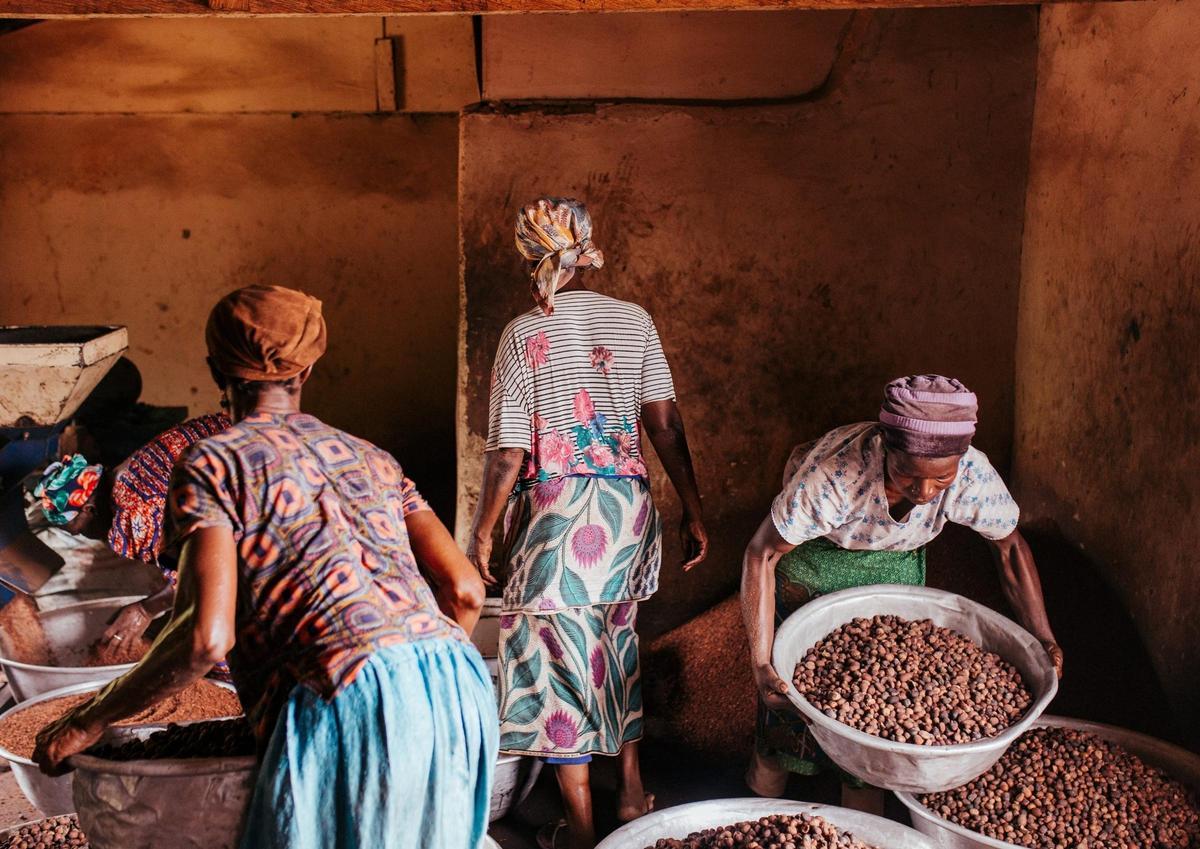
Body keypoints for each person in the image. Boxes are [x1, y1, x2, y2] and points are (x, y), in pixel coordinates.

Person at [34, 284, 497, 849]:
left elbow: (205, 638)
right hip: (457, 681)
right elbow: (465, 590)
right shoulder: (372, 457)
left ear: (214, 368)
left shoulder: (213, 462)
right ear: (308, 369)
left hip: (341, 688)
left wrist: (87, 722)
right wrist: (411, 674)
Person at [468, 198, 708, 849]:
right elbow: (664, 422)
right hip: (629, 511)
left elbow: (511, 451)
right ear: (585, 247)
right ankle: (630, 791)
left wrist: (484, 532)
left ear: (530, 255)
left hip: (558, 513)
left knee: (556, 664)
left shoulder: (523, 332)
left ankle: (580, 831)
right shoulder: (634, 320)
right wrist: (691, 505)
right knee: (614, 645)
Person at [741, 375, 1064, 807]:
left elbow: (1010, 550)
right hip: (816, 561)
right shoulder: (835, 478)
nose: (925, 492)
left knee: (870, 723)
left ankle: (861, 805)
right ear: (885, 448)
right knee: (789, 696)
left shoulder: (970, 473)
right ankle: (764, 792)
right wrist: (761, 663)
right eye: (907, 475)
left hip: (894, 566)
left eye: (940, 480)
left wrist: (1043, 637)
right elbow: (761, 555)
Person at [32, 414, 231, 647]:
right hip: (251, 439)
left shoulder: (131, 515)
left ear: (89, 510)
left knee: (215, 645)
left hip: (256, 487)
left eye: (76, 529)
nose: (79, 536)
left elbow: (200, 575)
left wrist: (145, 610)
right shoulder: (126, 473)